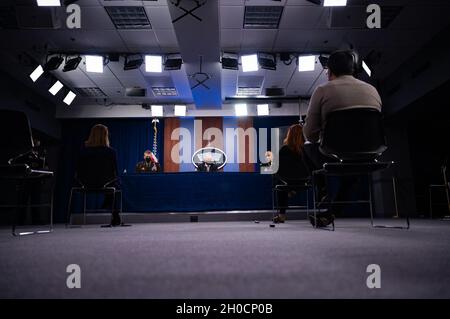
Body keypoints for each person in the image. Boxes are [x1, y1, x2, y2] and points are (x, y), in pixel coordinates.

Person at [303, 50, 382, 226]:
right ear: (353, 69)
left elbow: (310, 135)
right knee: (352, 167)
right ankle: (332, 212)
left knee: (306, 146)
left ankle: (322, 186)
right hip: (369, 154)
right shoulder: (372, 90)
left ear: (329, 71)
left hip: (334, 153)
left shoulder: (322, 90)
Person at [76, 124, 122, 226]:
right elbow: (115, 172)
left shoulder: (83, 152)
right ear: (105, 136)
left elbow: (78, 170)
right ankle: (115, 214)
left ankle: (108, 204)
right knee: (116, 184)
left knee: (112, 184)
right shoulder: (111, 152)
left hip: (85, 184)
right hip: (106, 184)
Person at [272, 124, 312, 224]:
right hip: (304, 183)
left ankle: (282, 215)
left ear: (289, 135)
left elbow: (277, 169)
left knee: (278, 182)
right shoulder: (308, 150)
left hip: (286, 182)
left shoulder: (284, 150)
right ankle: (292, 189)